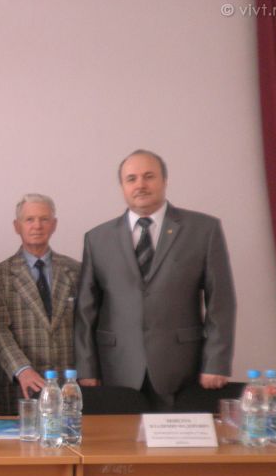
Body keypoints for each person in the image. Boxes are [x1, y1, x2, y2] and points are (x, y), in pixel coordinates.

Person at [74, 149, 236, 410]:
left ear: (165, 181)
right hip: (116, 368)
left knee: (177, 437)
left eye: (149, 176)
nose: (140, 184)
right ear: (122, 187)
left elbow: (221, 301)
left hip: (182, 368)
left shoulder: (203, 230)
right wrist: (86, 368)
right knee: (121, 436)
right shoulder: (97, 238)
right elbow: (85, 310)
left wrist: (217, 362)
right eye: (131, 179)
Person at [0, 194, 81, 414]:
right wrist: (22, 369)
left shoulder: (76, 270)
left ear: (54, 224)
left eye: (44, 219)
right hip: (21, 384)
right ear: (17, 226)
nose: (37, 225)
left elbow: (86, 327)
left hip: (68, 383)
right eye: (29, 219)